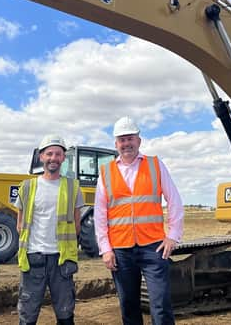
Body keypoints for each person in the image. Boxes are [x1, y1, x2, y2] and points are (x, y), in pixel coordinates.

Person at [94, 116, 184, 325]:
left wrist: (172, 236)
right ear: (116, 144)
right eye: (122, 139)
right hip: (120, 250)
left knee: (160, 303)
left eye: (130, 138)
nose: (126, 143)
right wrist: (105, 249)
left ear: (139, 141)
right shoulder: (106, 172)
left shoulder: (154, 164)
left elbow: (175, 200)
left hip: (153, 246)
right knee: (128, 304)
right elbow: (100, 214)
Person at [16, 135, 84, 325]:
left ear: (64, 158)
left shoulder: (73, 187)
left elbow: (77, 225)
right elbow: (20, 224)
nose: (53, 158)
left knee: (65, 314)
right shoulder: (28, 187)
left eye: (58, 154)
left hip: (61, 260)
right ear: (41, 157)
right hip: (33, 258)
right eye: (49, 153)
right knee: (27, 315)